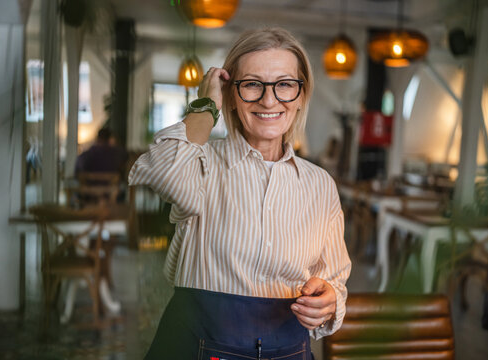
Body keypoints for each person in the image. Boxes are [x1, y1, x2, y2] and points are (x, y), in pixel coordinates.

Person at [129, 27, 351, 359]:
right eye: (251, 84)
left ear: (302, 95)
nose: (269, 99)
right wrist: (205, 105)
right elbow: (161, 170)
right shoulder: (202, 164)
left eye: (285, 85)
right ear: (231, 95)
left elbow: (334, 279)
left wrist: (329, 300)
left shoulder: (320, 185)